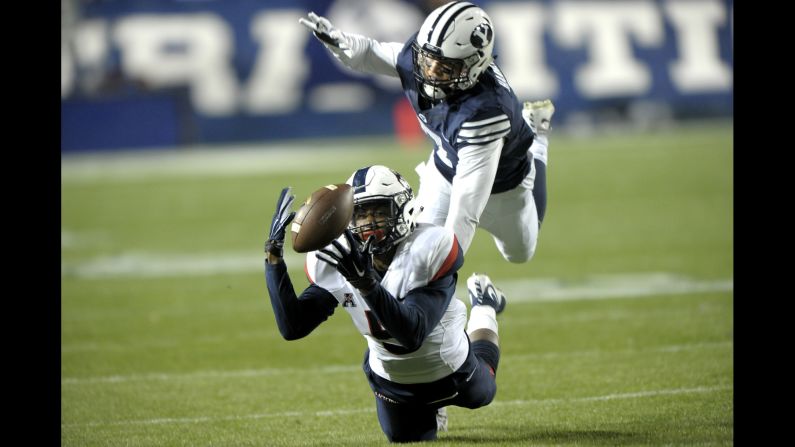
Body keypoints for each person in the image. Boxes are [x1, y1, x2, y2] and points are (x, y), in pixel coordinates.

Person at [264, 165, 507, 442]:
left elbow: (411, 333)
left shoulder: (429, 248)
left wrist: (365, 283)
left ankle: (485, 305)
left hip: (450, 365)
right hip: (392, 380)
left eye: (379, 211)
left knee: (483, 394)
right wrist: (273, 259)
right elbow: (293, 326)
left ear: (404, 210)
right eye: (360, 213)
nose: (369, 223)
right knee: (407, 438)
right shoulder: (341, 259)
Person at [299, 1, 556, 263]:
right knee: (413, 254)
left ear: (473, 66)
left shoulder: (485, 112)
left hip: (505, 189)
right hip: (444, 170)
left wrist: (443, 269)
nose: (430, 73)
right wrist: (338, 41)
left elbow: (465, 210)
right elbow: (371, 53)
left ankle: (538, 139)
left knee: (519, 254)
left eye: (445, 68)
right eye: (428, 60)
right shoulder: (421, 58)